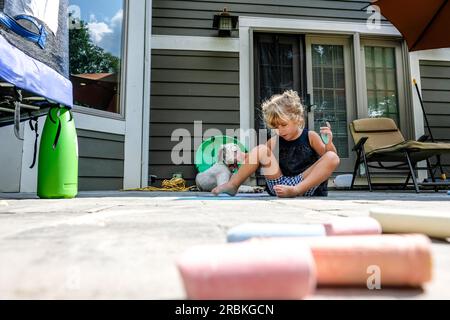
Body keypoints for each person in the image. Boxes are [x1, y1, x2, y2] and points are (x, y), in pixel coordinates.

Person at [212, 90, 340, 198]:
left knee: (332, 157)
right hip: (278, 184)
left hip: (304, 184)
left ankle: (295, 191)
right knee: (261, 149)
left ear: (298, 119)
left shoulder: (310, 136)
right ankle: (233, 184)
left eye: (284, 125)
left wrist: (328, 143)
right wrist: (241, 156)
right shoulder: (274, 141)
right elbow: (254, 158)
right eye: (275, 127)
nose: (280, 130)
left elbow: (330, 158)